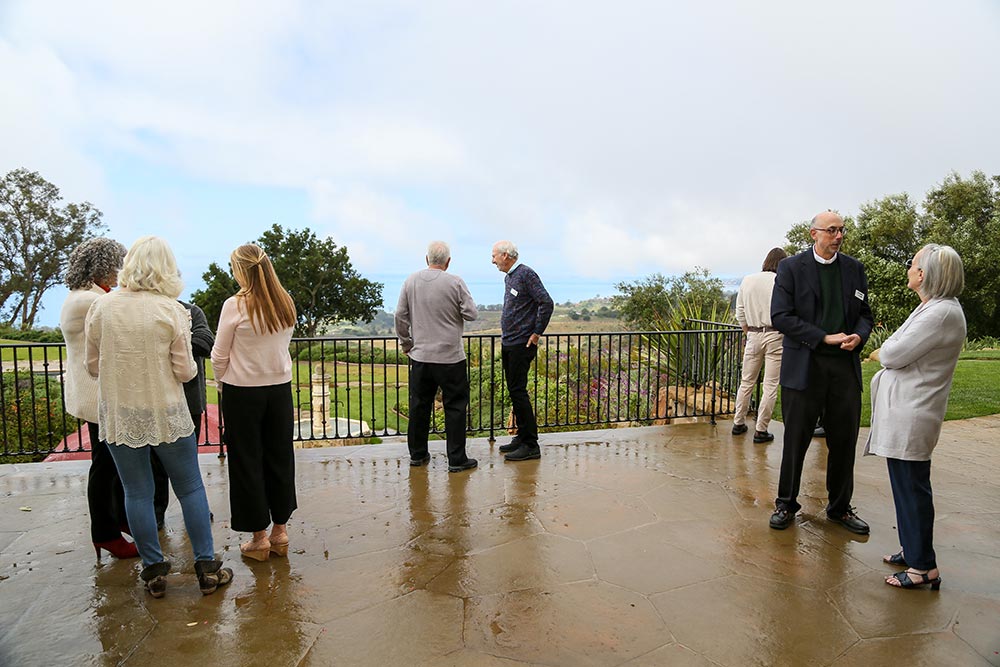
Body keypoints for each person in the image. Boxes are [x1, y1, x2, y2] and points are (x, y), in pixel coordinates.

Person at [86, 236, 232, 597]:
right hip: (167, 413)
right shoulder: (172, 310)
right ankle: (206, 567)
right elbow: (185, 371)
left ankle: (153, 571)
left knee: (136, 492)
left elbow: (93, 366)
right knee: (190, 487)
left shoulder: (102, 308)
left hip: (121, 414)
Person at [865, 244, 966, 590]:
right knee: (905, 486)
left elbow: (892, 352)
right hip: (907, 409)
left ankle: (923, 567)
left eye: (912, 264)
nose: (908, 269)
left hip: (914, 411)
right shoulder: (932, 308)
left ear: (922, 274)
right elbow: (896, 343)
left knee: (912, 488)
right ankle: (913, 550)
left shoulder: (941, 313)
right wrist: (888, 350)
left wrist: (883, 353)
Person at [768, 211, 874, 534]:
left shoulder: (854, 269)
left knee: (844, 441)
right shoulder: (791, 268)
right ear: (814, 234)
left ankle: (840, 508)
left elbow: (865, 315)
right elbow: (780, 316)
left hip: (844, 368)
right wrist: (822, 337)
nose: (838, 236)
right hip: (805, 367)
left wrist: (859, 336)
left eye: (842, 230)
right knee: (796, 440)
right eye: (831, 230)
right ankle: (786, 504)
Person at [211, 244, 297, 561]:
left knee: (247, 462)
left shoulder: (234, 305)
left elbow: (219, 355)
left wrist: (222, 383)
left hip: (243, 391)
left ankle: (259, 538)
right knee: (280, 457)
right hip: (279, 390)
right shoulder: (285, 301)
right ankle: (280, 532)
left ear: (240, 270)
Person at [60, 237, 138, 560]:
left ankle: (118, 521)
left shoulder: (82, 296)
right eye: (117, 265)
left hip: (94, 391)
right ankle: (105, 533)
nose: (120, 272)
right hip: (97, 394)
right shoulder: (90, 301)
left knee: (110, 462)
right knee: (104, 465)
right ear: (103, 267)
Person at [395, 241, 479, 472]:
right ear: (448, 262)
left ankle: (417, 455)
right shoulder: (455, 282)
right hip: (451, 358)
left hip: (421, 357)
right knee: (455, 407)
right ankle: (456, 459)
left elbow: (400, 315)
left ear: (427, 259)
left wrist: (406, 344)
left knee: (419, 406)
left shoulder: (410, 281)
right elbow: (471, 313)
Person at [146, 300, 214, 530]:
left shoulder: (192, 311)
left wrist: (166, 342)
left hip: (189, 401)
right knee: (154, 463)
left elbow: (205, 342)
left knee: (188, 461)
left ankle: (195, 508)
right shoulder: (146, 310)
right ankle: (157, 511)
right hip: (154, 400)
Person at [491, 240, 553, 462]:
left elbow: (546, 302)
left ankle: (531, 444)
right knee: (514, 390)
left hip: (521, 344)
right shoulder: (510, 277)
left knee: (518, 391)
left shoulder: (526, 274)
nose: (492, 261)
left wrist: (536, 333)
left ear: (506, 255)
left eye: (494, 256)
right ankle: (522, 436)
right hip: (509, 342)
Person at [732, 248, 787, 444]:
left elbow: (740, 311)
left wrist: (748, 331)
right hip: (775, 335)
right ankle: (761, 429)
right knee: (770, 385)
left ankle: (738, 422)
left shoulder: (748, 280)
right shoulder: (781, 282)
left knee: (746, 382)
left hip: (753, 334)